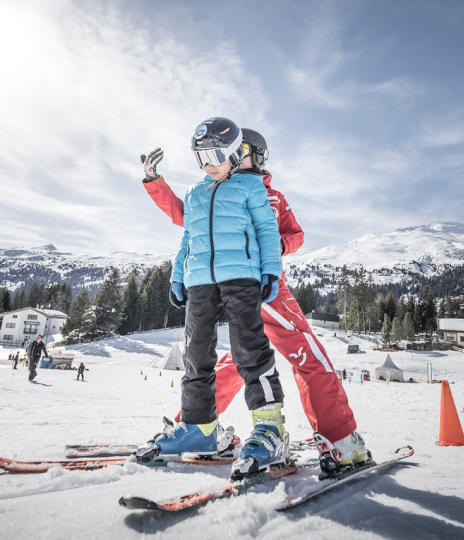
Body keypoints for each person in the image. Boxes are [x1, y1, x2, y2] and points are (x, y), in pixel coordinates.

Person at [140, 126, 369, 472]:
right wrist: (156, 183)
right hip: (225, 286)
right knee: (232, 362)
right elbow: (186, 221)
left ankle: (339, 439)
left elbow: (295, 235)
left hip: (267, 289)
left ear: (256, 155)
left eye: (241, 150)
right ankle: (197, 426)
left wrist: (276, 249)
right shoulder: (213, 188)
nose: (231, 156)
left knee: (303, 357)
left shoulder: (269, 194)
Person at [138, 117, 286, 478]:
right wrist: (178, 276)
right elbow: (188, 238)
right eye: (201, 156)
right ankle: (199, 429)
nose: (209, 163)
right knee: (195, 354)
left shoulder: (251, 188)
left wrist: (271, 271)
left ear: (236, 153)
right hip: (200, 282)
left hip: (241, 277)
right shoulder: (195, 193)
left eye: (218, 154)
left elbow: (267, 229)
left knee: (250, 349)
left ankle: (270, 430)